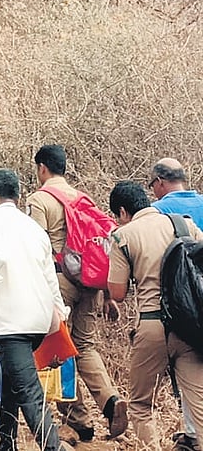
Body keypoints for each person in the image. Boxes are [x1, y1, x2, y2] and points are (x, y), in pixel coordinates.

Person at [0, 168, 72, 451]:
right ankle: (6, 443)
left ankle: (52, 447)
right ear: (18, 196)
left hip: (13, 322)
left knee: (29, 393)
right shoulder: (33, 228)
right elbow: (50, 276)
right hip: (40, 319)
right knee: (9, 381)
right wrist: (60, 317)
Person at [26, 144, 128, 441]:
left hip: (60, 282)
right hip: (90, 282)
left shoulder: (40, 199)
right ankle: (110, 400)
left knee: (59, 348)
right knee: (86, 346)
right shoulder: (83, 199)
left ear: (42, 168)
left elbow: (36, 247)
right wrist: (106, 293)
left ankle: (77, 419)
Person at [108, 181, 203, 451]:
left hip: (152, 326)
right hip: (190, 326)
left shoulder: (123, 236)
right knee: (199, 403)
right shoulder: (184, 224)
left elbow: (117, 293)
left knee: (141, 404)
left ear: (123, 211)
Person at [148, 158, 202, 451]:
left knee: (187, 367)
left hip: (182, 302)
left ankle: (192, 433)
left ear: (159, 183)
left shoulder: (157, 212)